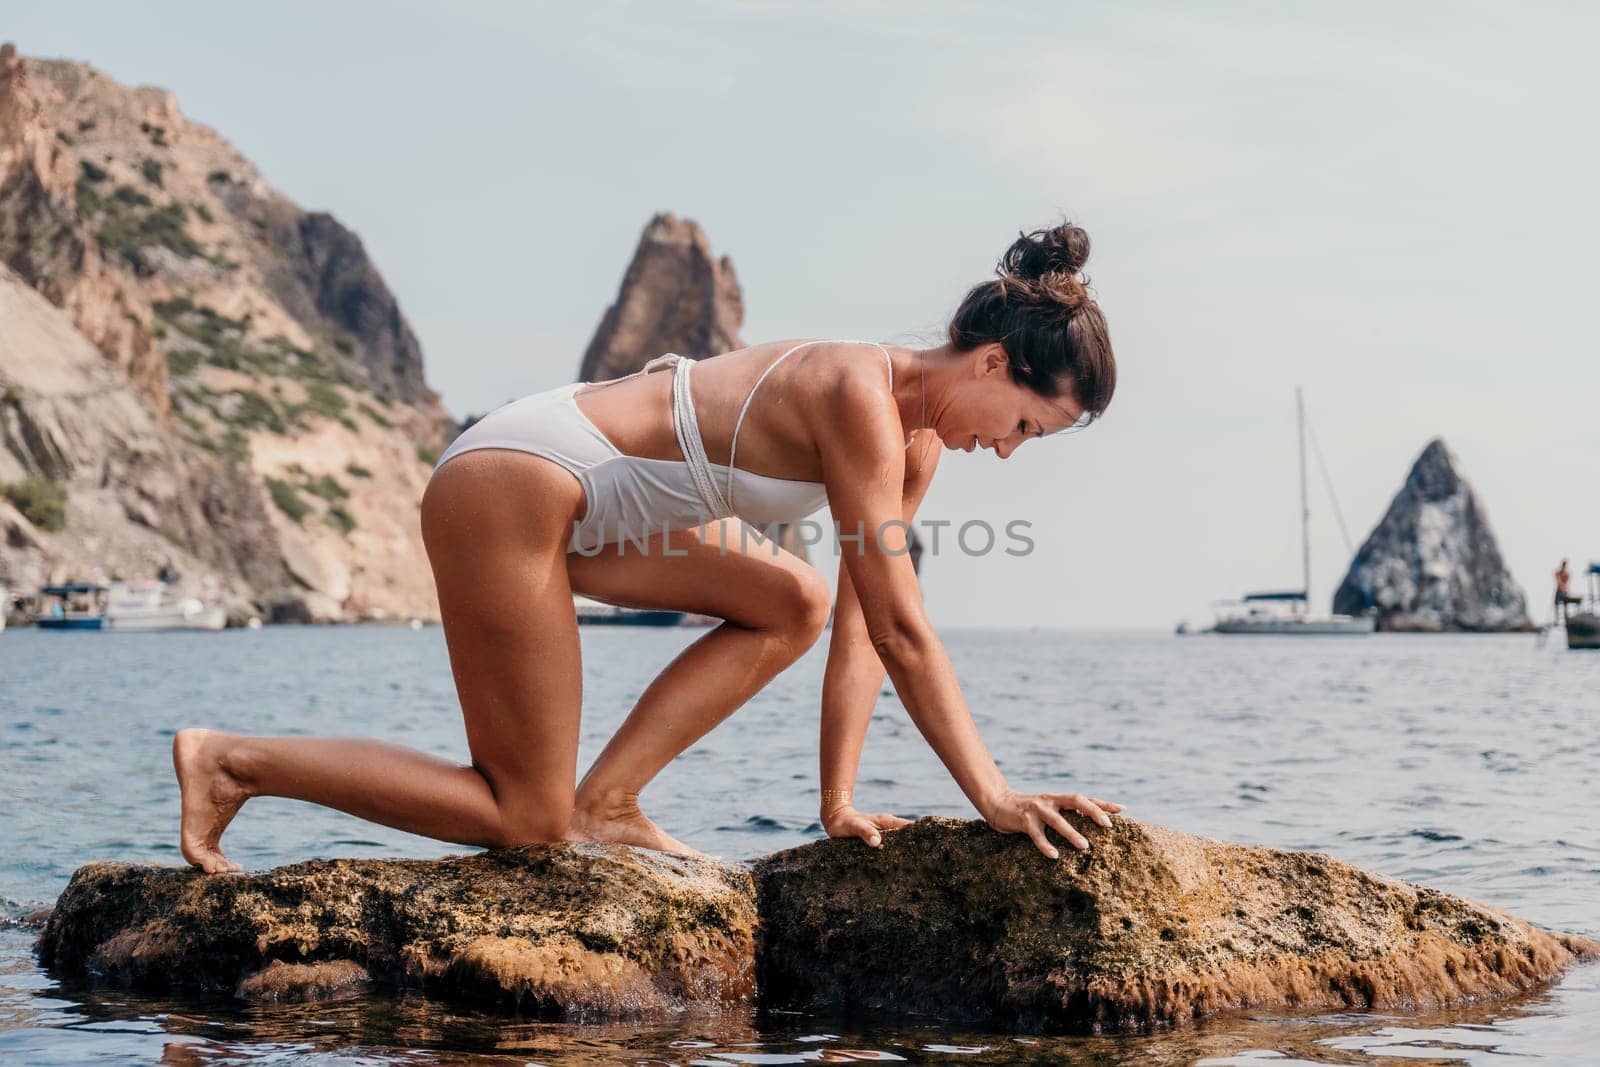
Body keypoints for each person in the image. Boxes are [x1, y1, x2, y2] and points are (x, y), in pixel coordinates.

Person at [172, 221, 1123, 874]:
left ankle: (612, 801)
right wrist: (993, 794)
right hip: (515, 479)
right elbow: (911, 633)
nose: (1006, 449)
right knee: (524, 817)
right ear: (996, 364)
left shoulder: (916, 448)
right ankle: (233, 761)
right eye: (1025, 426)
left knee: (796, 601)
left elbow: (871, 632)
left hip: (602, 517)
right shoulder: (856, 391)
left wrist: (837, 802)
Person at [1555, 559, 1576, 623]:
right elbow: (1557, 577)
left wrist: (1563, 586)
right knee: (1556, 605)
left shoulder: (1567, 573)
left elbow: (1566, 581)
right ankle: (1557, 620)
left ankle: (1566, 620)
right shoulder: (1559, 572)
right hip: (1559, 590)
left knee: (1565, 606)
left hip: (1564, 591)